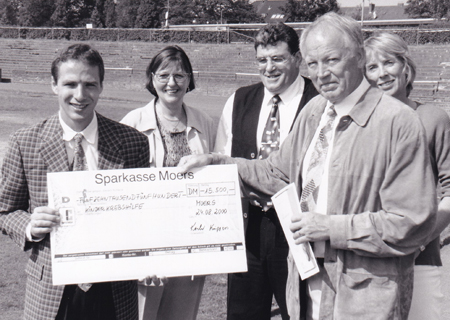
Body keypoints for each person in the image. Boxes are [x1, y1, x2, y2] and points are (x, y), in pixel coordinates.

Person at [178, 12, 437, 320]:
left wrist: (331, 228)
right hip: (305, 281)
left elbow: (412, 222)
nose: (321, 73)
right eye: (313, 64)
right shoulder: (316, 112)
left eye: (331, 60)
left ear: (358, 57)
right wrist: (217, 163)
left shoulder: (398, 122)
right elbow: (276, 173)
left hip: (366, 296)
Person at [0, 43, 153, 320]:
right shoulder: (25, 142)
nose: (80, 95)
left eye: (90, 84)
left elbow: (143, 217)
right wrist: (30, 226)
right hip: (51, 289)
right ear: (54, 85)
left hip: (114, 289)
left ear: (101, 86)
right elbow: (5, 211)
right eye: (70, 84)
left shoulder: (133, 143)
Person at [214, 22, 317, 320]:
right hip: (249, 230)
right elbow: (224, 161)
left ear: (297, 58)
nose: (269, 68)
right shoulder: (239, 100)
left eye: (278, 59)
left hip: (297, 231)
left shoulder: (318, 101)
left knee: (299, 312)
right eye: (262, 60)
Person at [121, 45, 216, 320]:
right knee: (141, 314)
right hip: (145, 240)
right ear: (152, 78)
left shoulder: (205, 122)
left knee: (181, 314)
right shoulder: (132, 122)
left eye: (180, 75)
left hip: (192, 241)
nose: (171, 83)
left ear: (190, 79)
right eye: (163, 75)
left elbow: (219, 177)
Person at [364, 31, 450, 320]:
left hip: (420, 262)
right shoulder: (357, 125)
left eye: (389, 62)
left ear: (405, 66)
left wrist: (418, 240)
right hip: (366, 264)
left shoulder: (433, 119)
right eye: (372, 67)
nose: (382, 74)